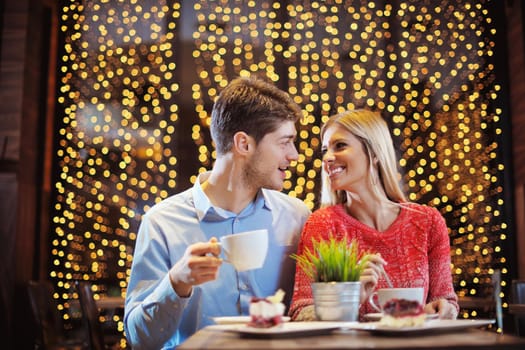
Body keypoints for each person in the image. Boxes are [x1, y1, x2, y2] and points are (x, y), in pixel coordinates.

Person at [124, 76, 311, 349]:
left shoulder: (296, 216)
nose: (294, 155)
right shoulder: (162, 223)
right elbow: (139, 340)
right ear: (243, 144)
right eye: (285, 142)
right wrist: (176, 283)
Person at [289, 109, 459, 321]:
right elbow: (301, 311)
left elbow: (446, 300)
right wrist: (350, 299)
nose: (328, 158)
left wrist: (445, 309)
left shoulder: (428, 221)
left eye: (340, 145)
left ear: (375, 152)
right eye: (325, 149)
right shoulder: (323, 224)